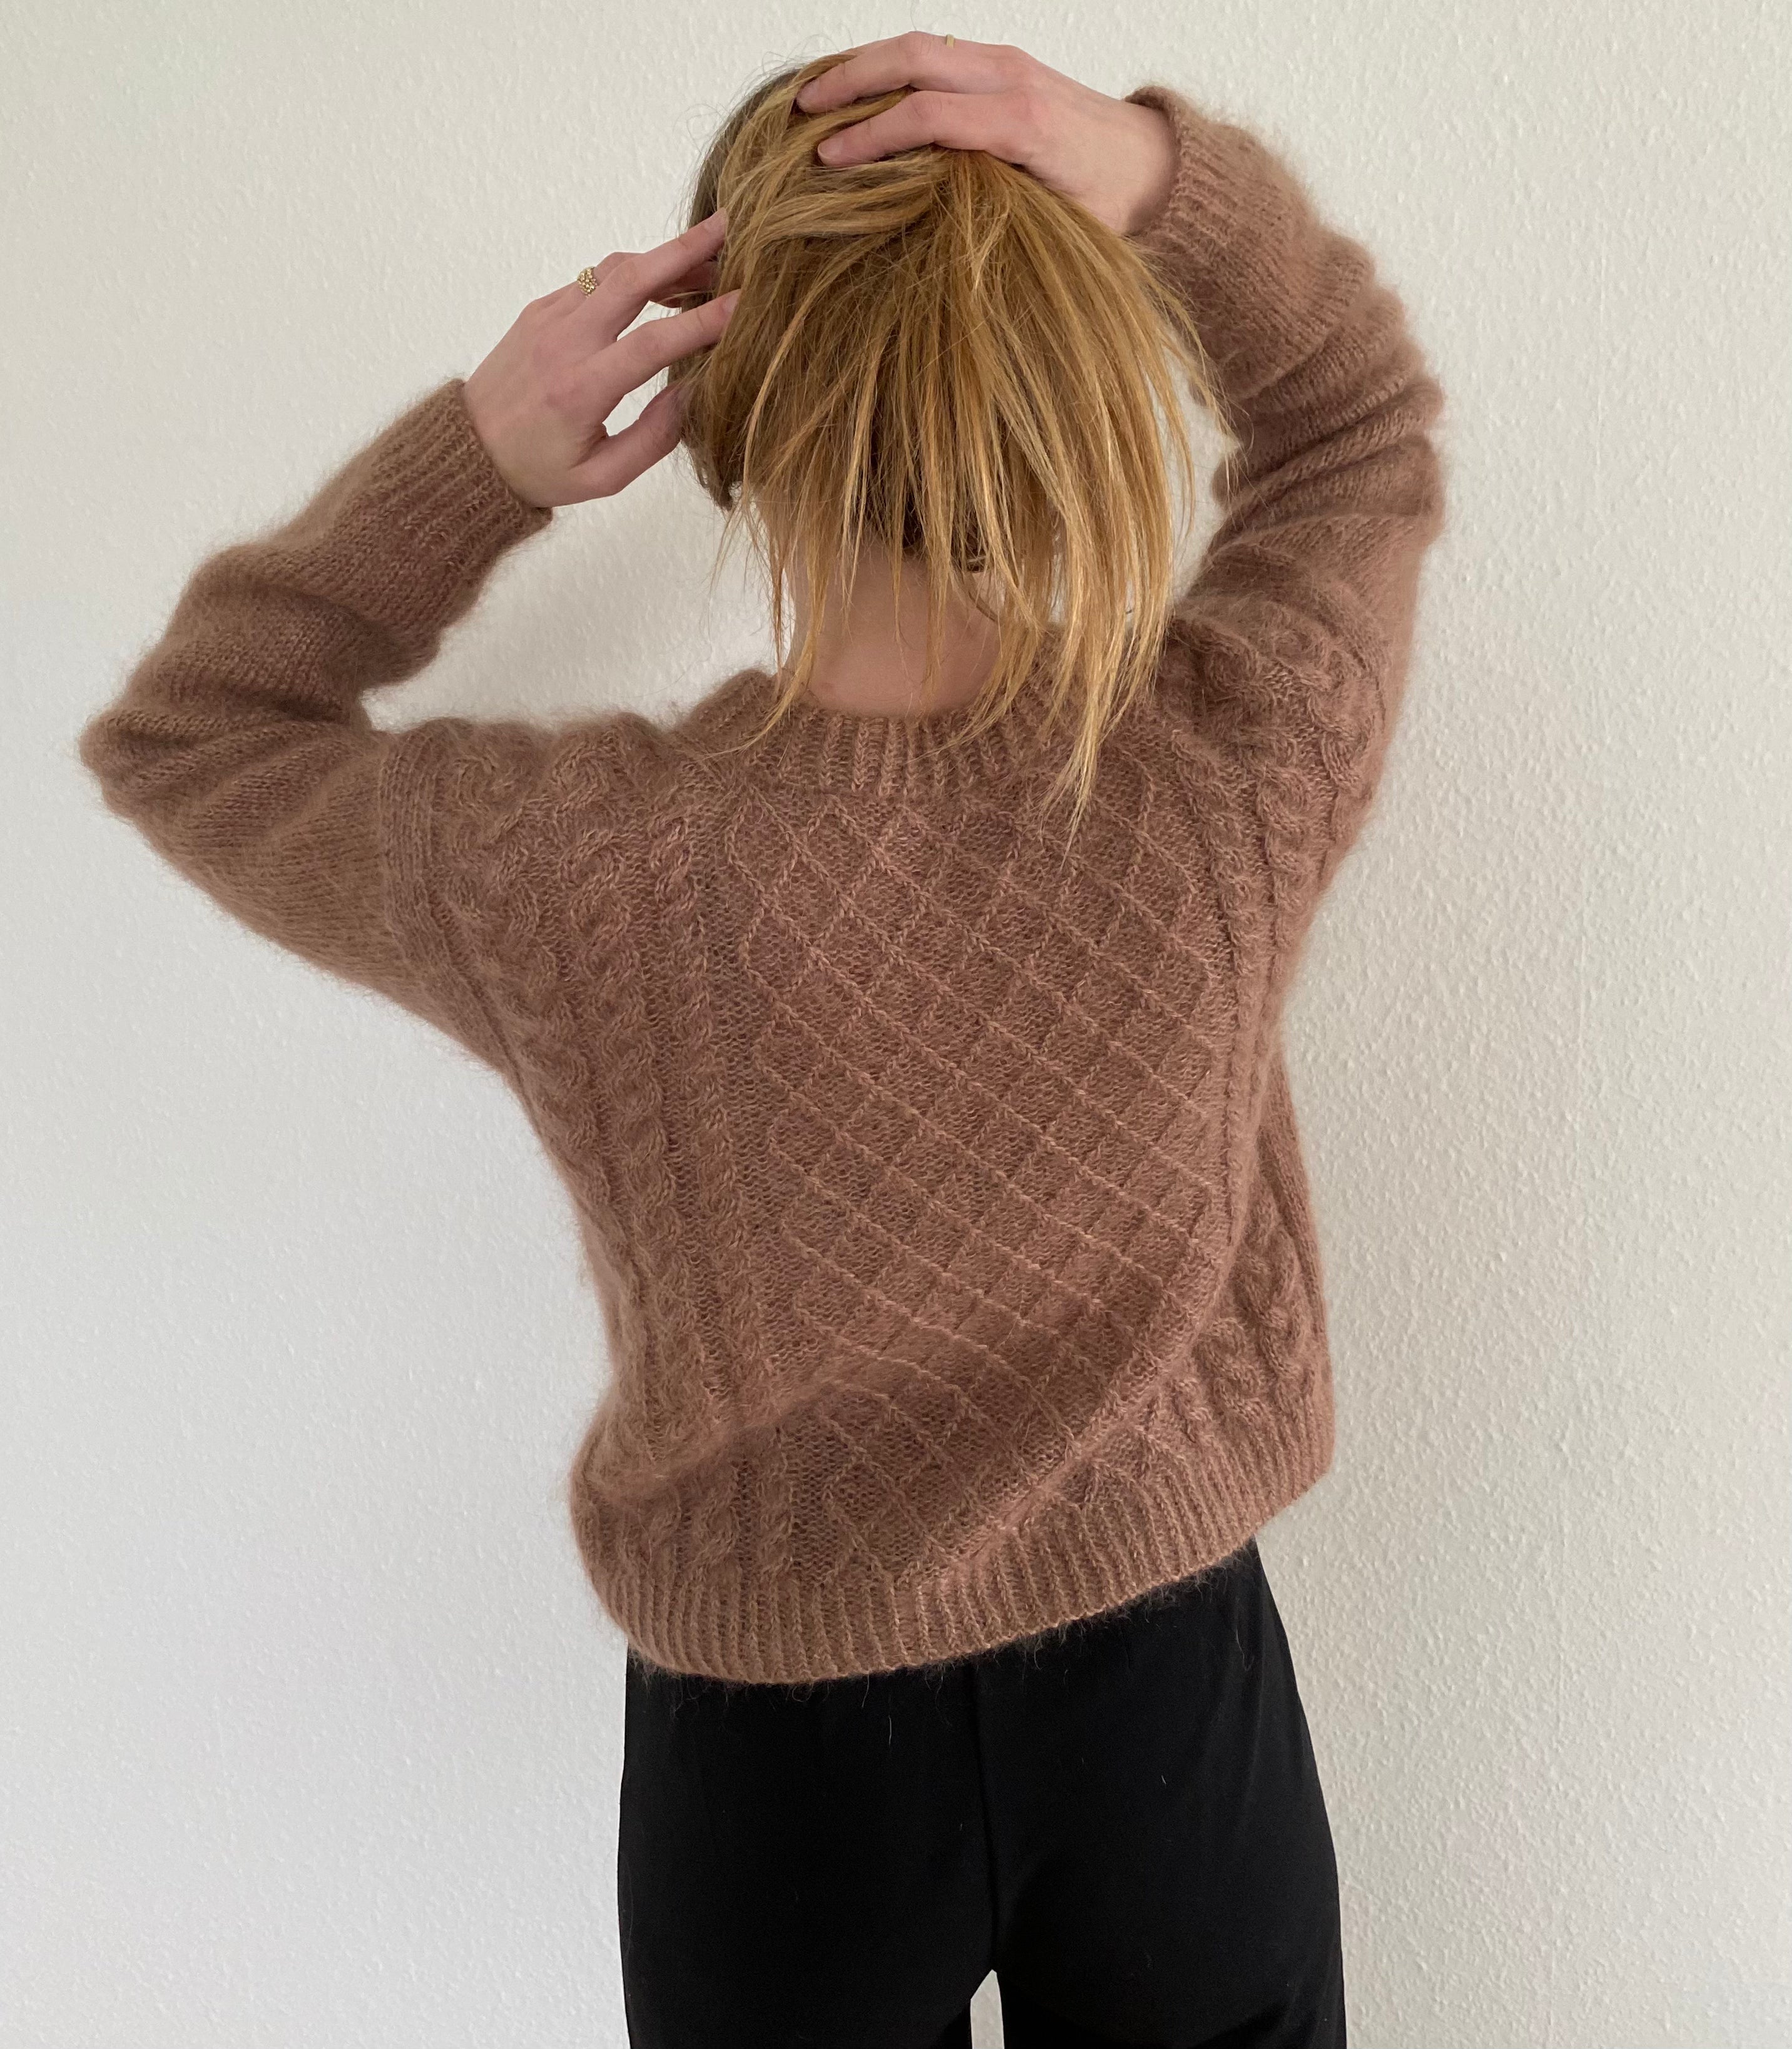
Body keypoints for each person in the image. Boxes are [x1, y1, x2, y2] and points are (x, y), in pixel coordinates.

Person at [77, 31, 1448, 2049]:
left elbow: (191, 734)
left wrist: (478, 458)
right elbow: (1357, 423)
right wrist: (1163, 177)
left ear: (723, 415)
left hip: (779, 1760)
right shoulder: (1226, 762)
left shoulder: (577, 867)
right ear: (1068, 352)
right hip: (1174, 1700)